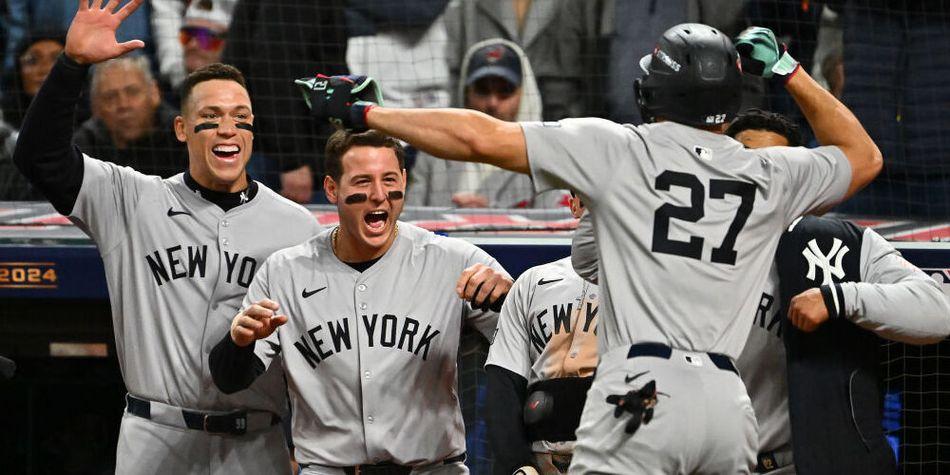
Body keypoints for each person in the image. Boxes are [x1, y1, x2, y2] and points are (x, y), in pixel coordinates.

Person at [301, 22, 883, 472]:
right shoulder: (768, 172)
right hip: (729, 405)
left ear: (655, 89)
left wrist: (369, 111)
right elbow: (865, 157)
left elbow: (478, 136)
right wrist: (788, 70)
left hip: (641, 392)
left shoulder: (620, 149)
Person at [12, 2, 321, 473]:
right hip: (157, 439)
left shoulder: (296, 225)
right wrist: (72, 64)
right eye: (212, 115)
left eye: (241, 117)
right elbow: (39, 156)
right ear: (181, 127)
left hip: (257, 443)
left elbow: (313, 348)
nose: (228, 129)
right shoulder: (131, 200)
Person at [571, 109, 950, 473]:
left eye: (777, 165)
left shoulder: (838, 246)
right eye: (749, 160)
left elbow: (939, 311)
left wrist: (841, 298)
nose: (762, 176)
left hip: (800, 464)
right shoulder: (680, 244)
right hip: (695, 460)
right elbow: (588, 261)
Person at [209, 129, 513, 474]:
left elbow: (530, 346)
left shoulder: (455, 260)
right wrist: (240, 341)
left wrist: (506, 300)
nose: (379, 195)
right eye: (362, 182)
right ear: (331, 189)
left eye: (388, 179)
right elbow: (230, 379)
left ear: (404, 180)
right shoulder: (285, 272)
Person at [485, 192, 599, 475]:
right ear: (573, 206)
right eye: (587, 201)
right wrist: (517, 464)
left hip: (613, 455)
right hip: (541, 460)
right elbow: (504, 380)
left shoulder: (647, 287)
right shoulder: (533, 282)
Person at [410, 39, 564, 209]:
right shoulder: (433, 152)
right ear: (466, 93)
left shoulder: (544, 159)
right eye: (483, 90)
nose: (492, 103)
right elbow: (409, 220)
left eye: (504, 91)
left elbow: (555, 229)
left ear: (525, 94)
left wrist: (491, 218)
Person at [73, 55, 184, 177]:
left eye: (132, 92)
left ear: (154, 93)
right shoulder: (85, 147)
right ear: (95, 107)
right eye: (110, 97)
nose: (123, 105)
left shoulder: (182, 134)